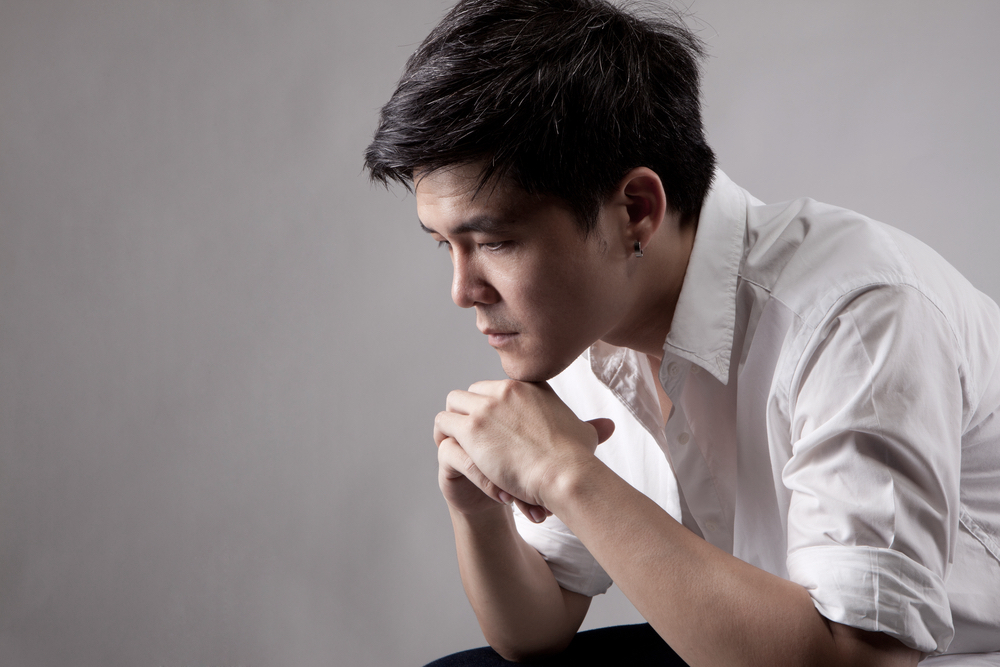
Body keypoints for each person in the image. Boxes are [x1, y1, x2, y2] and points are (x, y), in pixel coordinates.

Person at [364, 0, 1000, 664]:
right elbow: (533, 629)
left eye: (493, 241)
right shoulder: (594, 330)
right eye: (445, 246)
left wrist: (563, 470)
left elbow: (858, 659)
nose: (463, 290)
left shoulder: (857, 313)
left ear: (635, 209)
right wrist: (478, 510)